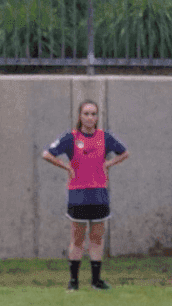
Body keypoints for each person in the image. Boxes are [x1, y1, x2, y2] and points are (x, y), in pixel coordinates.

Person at [42, 100, 129, 292]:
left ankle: (96, 281)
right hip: (78, 194)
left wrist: (109, 164)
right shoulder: (71, 137)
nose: (90, 118)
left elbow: (124, 153)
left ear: (97, 117)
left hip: (99, 193)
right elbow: (47, 154)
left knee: (97, 238)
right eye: (86, 114)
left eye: (94, 114)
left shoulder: (104, 137)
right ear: (80, 116)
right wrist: (66, 167)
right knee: (77, 238)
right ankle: (73, 282)